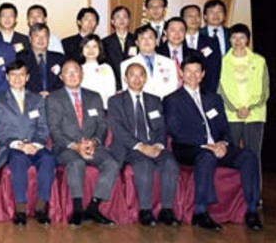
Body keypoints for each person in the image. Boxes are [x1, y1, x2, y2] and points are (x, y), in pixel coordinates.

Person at [163, 56, 262, 231]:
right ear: (181, 73)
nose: (193, 75)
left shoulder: (214, 98)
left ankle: (252, 210)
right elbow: (175, 130)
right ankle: (200, 212)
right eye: (188, 71)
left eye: (197, 71)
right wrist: (205, 145)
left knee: (248, 156)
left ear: (203, 74)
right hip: (188, 149)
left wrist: (223, 143)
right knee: (206, 157)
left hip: (218, 147)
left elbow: (224, 127)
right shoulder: (172, 99)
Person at [47, 60, 118, 226]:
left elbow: (102, 124)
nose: (72, 76)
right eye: (68, 72)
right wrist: (76, 146)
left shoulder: (94, 96)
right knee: (76, 162)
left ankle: (94, 206)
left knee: (112, 163)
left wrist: (94, 142)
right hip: (66, 147)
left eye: (76, 71)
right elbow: (54, 129)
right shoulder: (54, 98)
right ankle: (78, 209)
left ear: (82, 74)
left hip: (92, 145)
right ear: (62, 76)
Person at [108, 63, 179, 227]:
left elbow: (162, 126)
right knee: (144, 163)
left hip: (154, 146)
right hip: (130, 148)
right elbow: (118, 130)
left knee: (170, 162)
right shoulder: (115, 101)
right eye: (132, 74)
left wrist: (159, 145)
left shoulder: (154, 100)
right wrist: (140, 146)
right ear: (125, 78)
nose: (137, 78)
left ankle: (166, 210)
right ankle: (145, 211)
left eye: (141, 75)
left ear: (145, 78)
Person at [0, 60, 54, 225]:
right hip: (12, 146)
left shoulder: (37, 99)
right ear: (7, 77)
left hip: (35, 145)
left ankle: (41, 208)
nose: (17, 78)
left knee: (48, 159)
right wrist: (19, 144)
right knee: (18, 160)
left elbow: (43, 127)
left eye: (21, 74)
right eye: (13, 74)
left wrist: (37, 144)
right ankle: (20, 210)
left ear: (27, 77)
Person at [219, 24, 269, 186]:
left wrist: (249, 108)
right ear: (229, 39)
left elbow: (264, 91)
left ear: (248, 39)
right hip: (231, 115)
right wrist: (236, 109)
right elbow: (221, 90)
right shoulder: (222, 62)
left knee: (253, 153)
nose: (238, 41)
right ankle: (235, 194)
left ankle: (255, 193)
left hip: (254, 115)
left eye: (242, 37)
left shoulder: (259, 61)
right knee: (232, 154)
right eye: (234, 37)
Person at [120, 25, 179, 98]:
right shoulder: (126, 64)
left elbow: (173, 88)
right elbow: (127, 91)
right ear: (137, 43)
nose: (146, 41)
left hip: (166, 105)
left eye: (150, 37)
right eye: (142, 38)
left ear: (156, 41)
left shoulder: (169, 63)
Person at [181, 4, 221, 94]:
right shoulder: (176, 42)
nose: (194, 19)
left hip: (205, 92)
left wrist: (209, 94)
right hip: (180, 94)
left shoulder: (212, 42)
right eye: (190, 16)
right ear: (182, 20)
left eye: (197, 16)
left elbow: (215, 72)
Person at [16, 23, 65, 96]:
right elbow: (17, 80)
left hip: (55, 98)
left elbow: (64, 80)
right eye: (37, 36)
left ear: (48, 39)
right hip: (29, 98)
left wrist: (51, 93)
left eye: (44, 36)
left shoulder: (59, 58)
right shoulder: (20, 57)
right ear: (30, 38)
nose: (41, 39)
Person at [156, 17, 203, 88]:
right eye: (173, 30)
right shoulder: (156, 53)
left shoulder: (195, 55)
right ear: (165, 32)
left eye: (181, 30)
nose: (177, 34)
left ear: (185, 33)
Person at [102, 6, 136, 91]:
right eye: (118, 17)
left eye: (125, 17)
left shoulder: (137, 40)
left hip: (135, 84)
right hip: (113, 86)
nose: (121, 20)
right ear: (112, 21)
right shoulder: (104, 42)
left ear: (129, 21)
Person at [78, 35, 116, 108]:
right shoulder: (78, 69)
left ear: (100, 49)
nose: (91, 50)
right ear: (82, 49)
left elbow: (111, 92)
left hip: (104, 108)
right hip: (84, 108)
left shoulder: (106, 68)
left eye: (94, 46)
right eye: (87, 46)